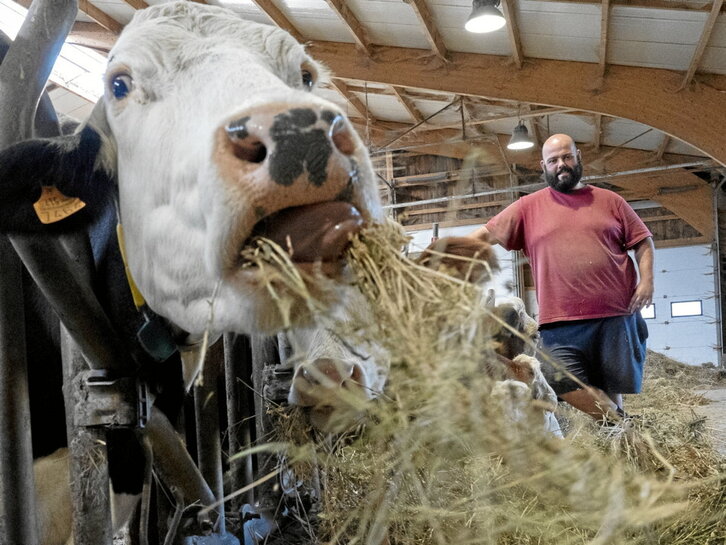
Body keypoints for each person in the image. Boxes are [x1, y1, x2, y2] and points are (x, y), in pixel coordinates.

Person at [450, 134, 654, 422]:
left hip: (614, 311)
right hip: (560, 318)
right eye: (554, 160)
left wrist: (647, 282)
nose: (562, 164)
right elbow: (485, 235)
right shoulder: (528, 207)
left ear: (578, 157)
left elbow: (643, 241)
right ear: (542, 165)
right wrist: (450, 253)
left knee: (609, 384)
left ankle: (617, 439)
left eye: (567, 157)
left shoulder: (611, 201)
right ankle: (623, 426)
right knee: (554, 375)